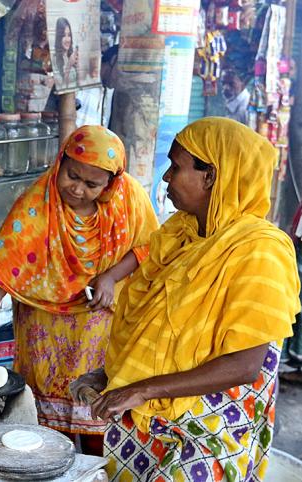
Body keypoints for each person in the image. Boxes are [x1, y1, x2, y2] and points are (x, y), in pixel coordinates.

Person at [73, 118, 300, 481]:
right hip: (152, 423)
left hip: (210, 430)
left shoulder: (259, 251)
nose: (166, 178)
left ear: (211, 176)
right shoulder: (179, 233)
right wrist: (113, 375)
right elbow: (162, 334)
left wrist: (141, 388)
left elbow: (245, 365)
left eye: (176, 167)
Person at [0, 125, 159, 454]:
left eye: (92, 184)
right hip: (45, 329)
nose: (77, 189)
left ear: (111, 183)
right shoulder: (35, 208)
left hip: (101, 322)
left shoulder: (129, 198)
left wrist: (111, 277)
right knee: (42, 432)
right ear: (60, 161)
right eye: (72, 175)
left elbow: (148, 246)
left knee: (97, 422)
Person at [54, 17, 79, 89]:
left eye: (69, 35)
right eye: (64, 36)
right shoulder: (54, 60)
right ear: (59, 37)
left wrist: (78, 68)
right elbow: (61, 89)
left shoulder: (72, 56)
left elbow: (79, 85)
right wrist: (69, 66)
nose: (67, 39)